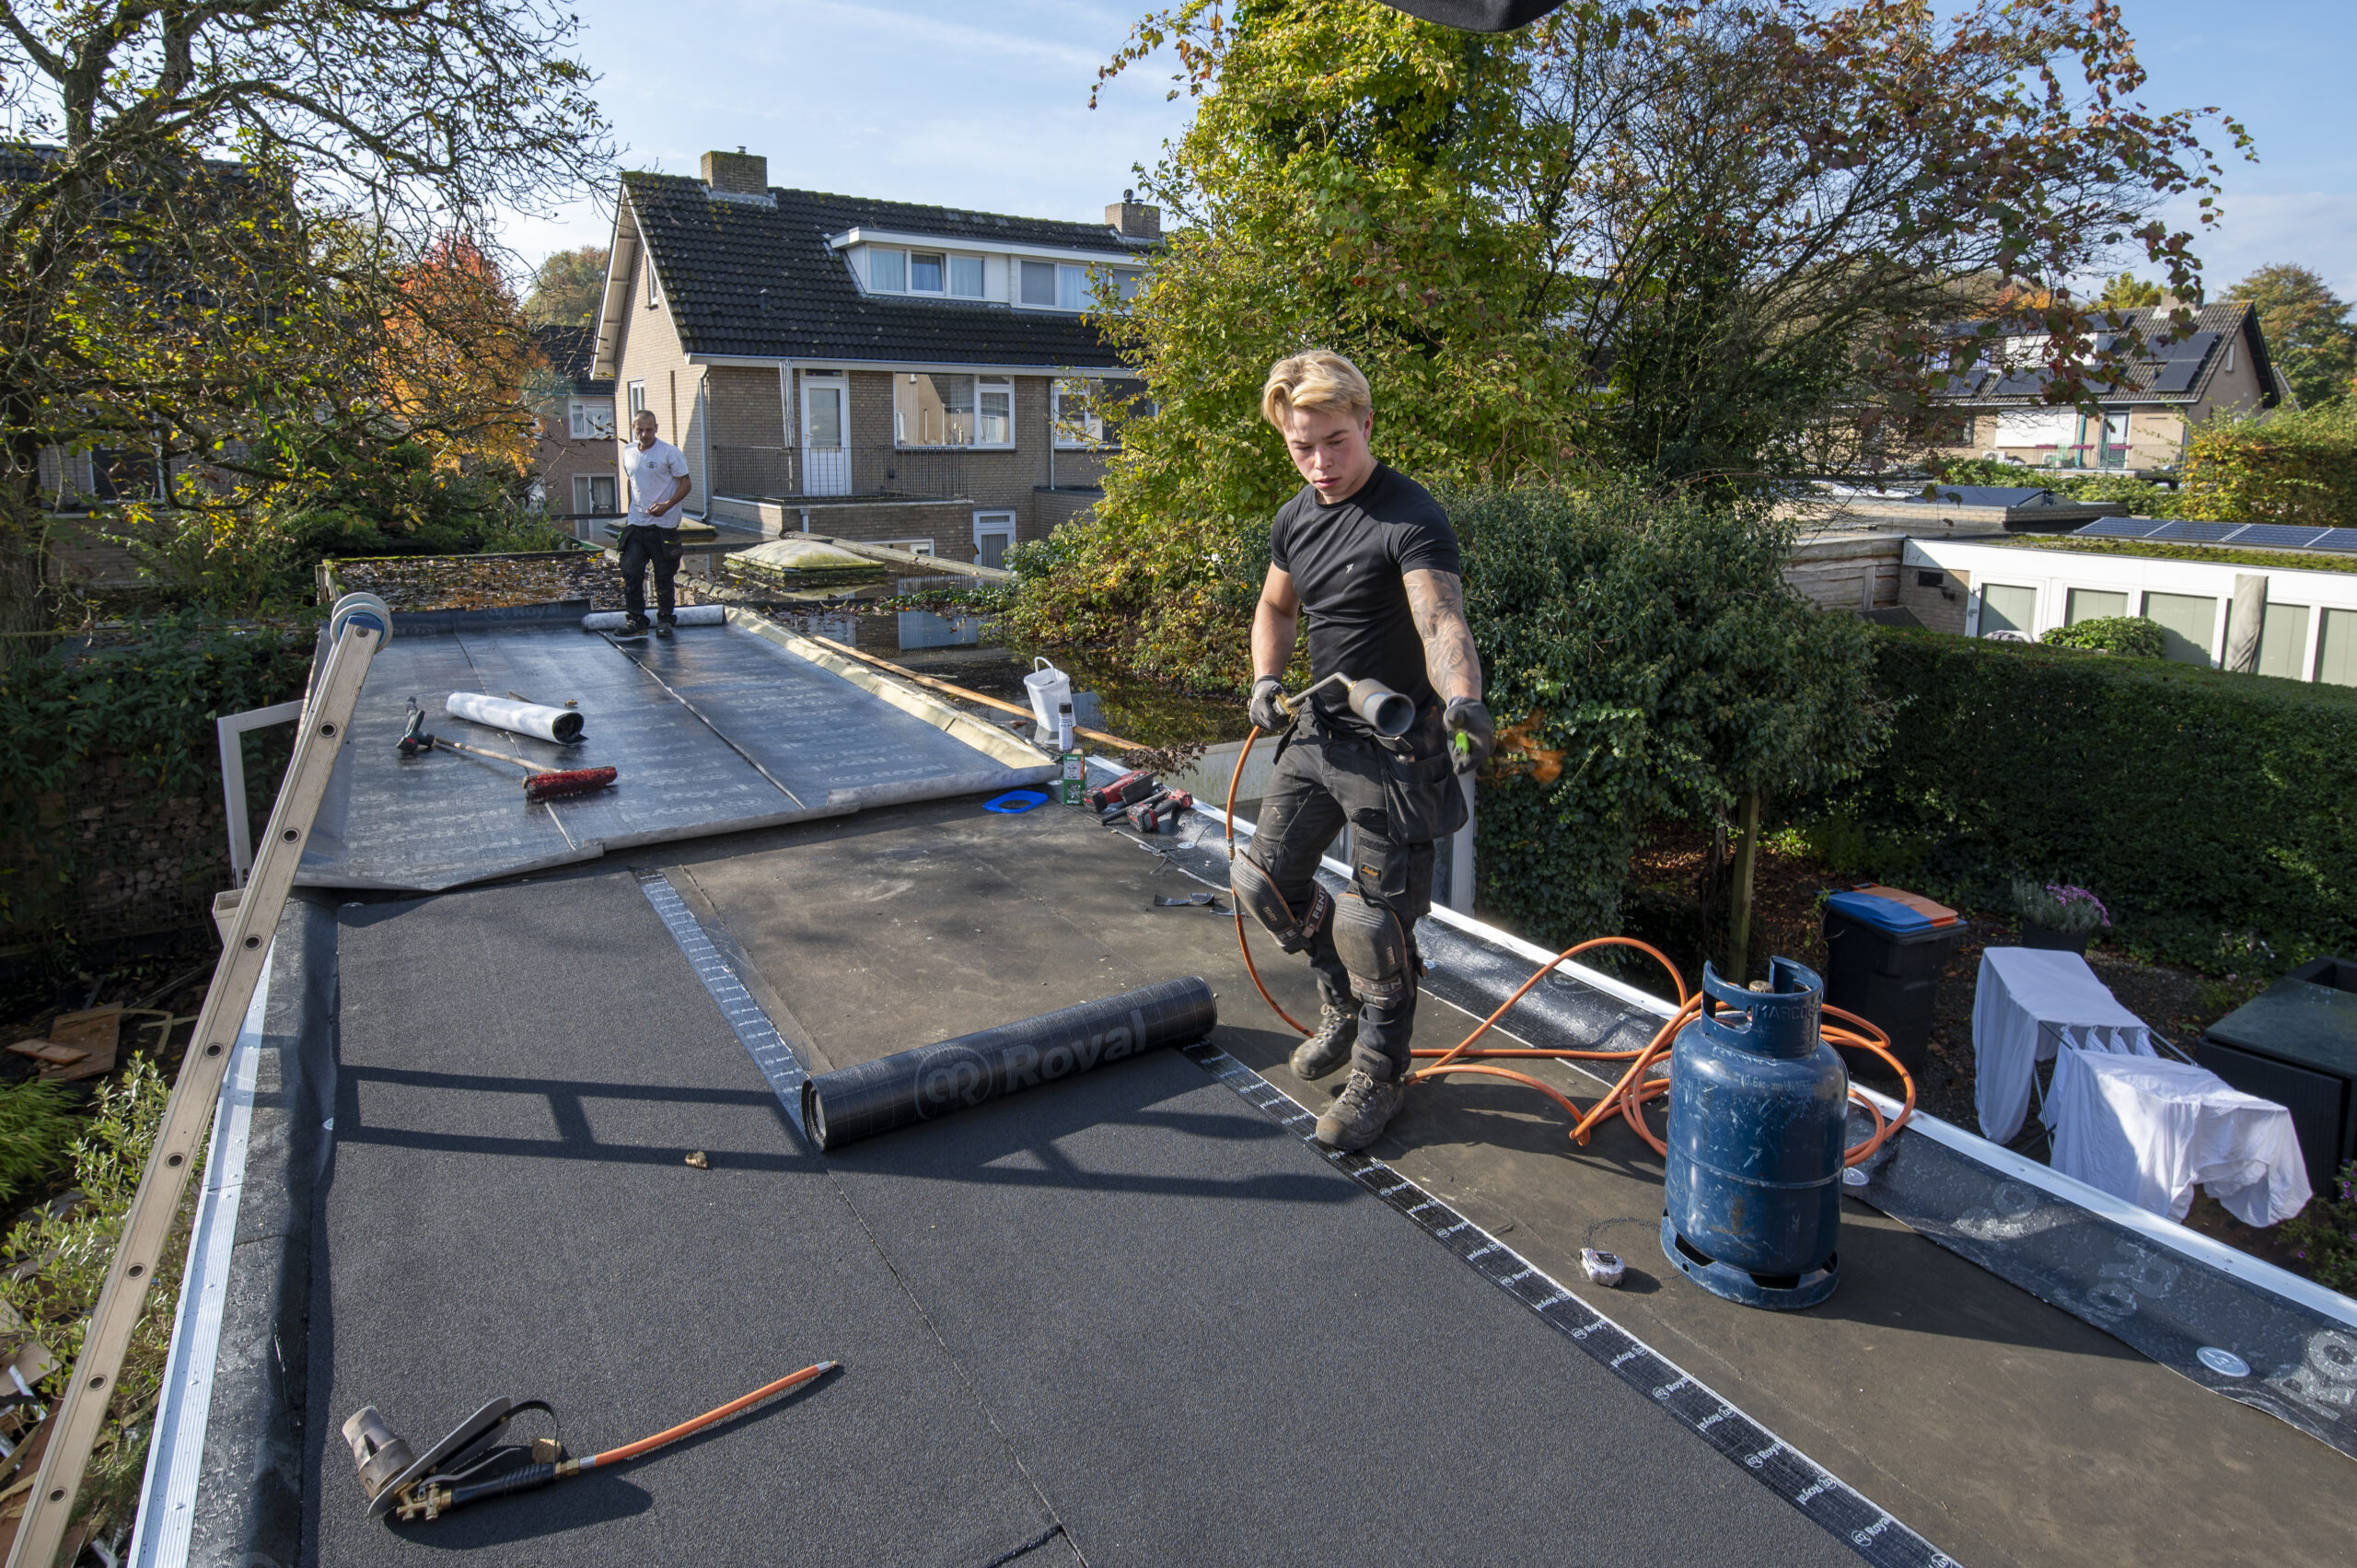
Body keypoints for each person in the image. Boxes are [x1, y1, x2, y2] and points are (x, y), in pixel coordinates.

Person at [1231, 350, 1494, 1151]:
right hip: (1319, 731)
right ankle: (1340, 1003)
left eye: (1334, 442)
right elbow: (1275, 606)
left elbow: (1439, 620)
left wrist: (1464, 702)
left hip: (1396, 748)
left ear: (1367, 424)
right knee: (1264, 880)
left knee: (1373, 925)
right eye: (1301, 446)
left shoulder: (1409, 516)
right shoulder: (1295, 517)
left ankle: (1382, 1072)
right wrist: (1266, 679)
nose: (1319, 463)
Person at [616, 410, 694, 637]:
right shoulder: (628, 452)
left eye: (649, 430)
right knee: (630, 572)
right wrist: (629, 515)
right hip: (636, 524)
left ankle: (665, 620)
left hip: (664, 525)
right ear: (633, 428)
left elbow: (686, 484)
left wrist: (666, 505)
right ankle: (636, 621)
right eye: (640, 430)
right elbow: (632, 484)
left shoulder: (670, 453)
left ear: (656, 428)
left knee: (663, 575)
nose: (645, 434)